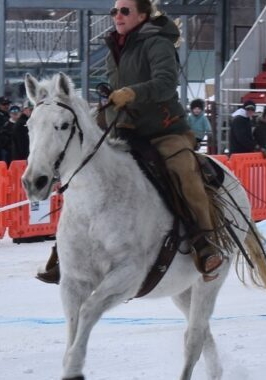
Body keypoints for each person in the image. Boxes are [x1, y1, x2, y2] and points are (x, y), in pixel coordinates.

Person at [38, 0, 222, 283]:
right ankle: (65, 249)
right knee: (84, 166)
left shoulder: (158, 43)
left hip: (163, 128)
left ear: (143, 15)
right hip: (123, 125)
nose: (117, 16)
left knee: (184, 170)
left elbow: (164, 84)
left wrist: (131, 93)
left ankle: (204, 243)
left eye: (124, 11)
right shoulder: (115, 45)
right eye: (114, 11)